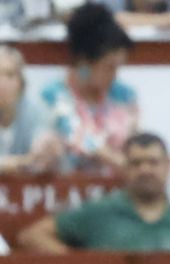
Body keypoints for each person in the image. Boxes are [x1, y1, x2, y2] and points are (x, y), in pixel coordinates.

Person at [16, 130, 170, 252]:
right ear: (125, 168)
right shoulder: (99, 212)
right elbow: (32, 236)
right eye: (136, 163)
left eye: (153, 162)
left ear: (168, 166)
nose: (145, 170)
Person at [37, 3, 137, 176]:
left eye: (118, 68)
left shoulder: (124, 94)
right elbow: (77, 136)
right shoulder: (53, 95)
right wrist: (124, 164)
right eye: (109, 67)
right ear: (84, 62)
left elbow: (134, 141)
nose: (114, 75)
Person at [0, 43, 52, 173]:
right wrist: (23, 162)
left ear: (21, 83)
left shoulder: (35, 111)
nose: (2, 83)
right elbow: (29, 162)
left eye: (10, 75)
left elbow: (41, 155)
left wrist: (45, 149)